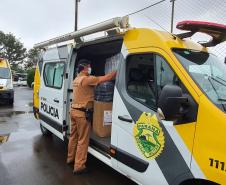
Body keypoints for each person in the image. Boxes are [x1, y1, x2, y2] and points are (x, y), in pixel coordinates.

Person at [67, 59, 116, 175]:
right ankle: (79, 166)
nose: (90, 68)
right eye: (89, 67)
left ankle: (70, 158)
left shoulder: (76, 79)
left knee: (73, 136)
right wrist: (117, 71)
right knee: (83, 140)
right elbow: (106, 78)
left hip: (73, 111)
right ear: (85, 68)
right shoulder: (87, 79)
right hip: (82, 114)